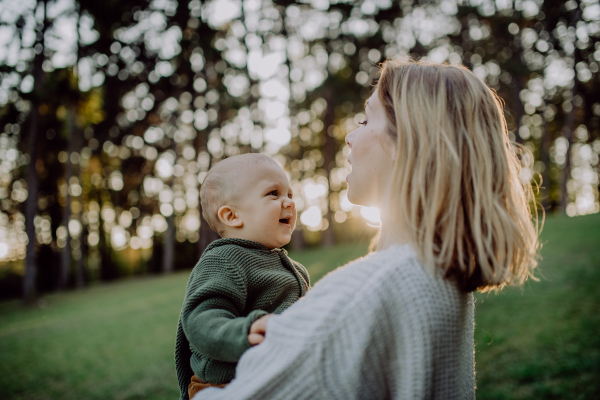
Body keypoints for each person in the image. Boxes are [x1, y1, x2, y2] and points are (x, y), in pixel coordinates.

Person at [192, 59, 540, 400]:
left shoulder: (368, 293)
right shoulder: (439, 275)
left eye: (365, 119)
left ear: (408, 140)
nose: (350, 138)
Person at [174, 154, 311, 400]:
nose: (289, 202)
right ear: (232, 216)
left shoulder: (295, 269)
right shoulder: (225, 259)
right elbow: (200, 319)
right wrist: (244, 332)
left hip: (273, 377)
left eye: (289, 194)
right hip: (225, 385)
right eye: (273, 193)